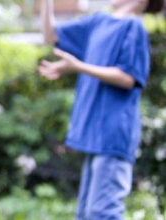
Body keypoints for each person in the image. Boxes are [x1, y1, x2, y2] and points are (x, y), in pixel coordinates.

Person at [38, 0, 164, 219]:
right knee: (86, 214)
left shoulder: (133, 27)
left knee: (103, 213)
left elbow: (129, 77)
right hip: (94, 134)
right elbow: (51, 35)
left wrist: (78, 66)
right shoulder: (99, 21)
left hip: (113, 135)